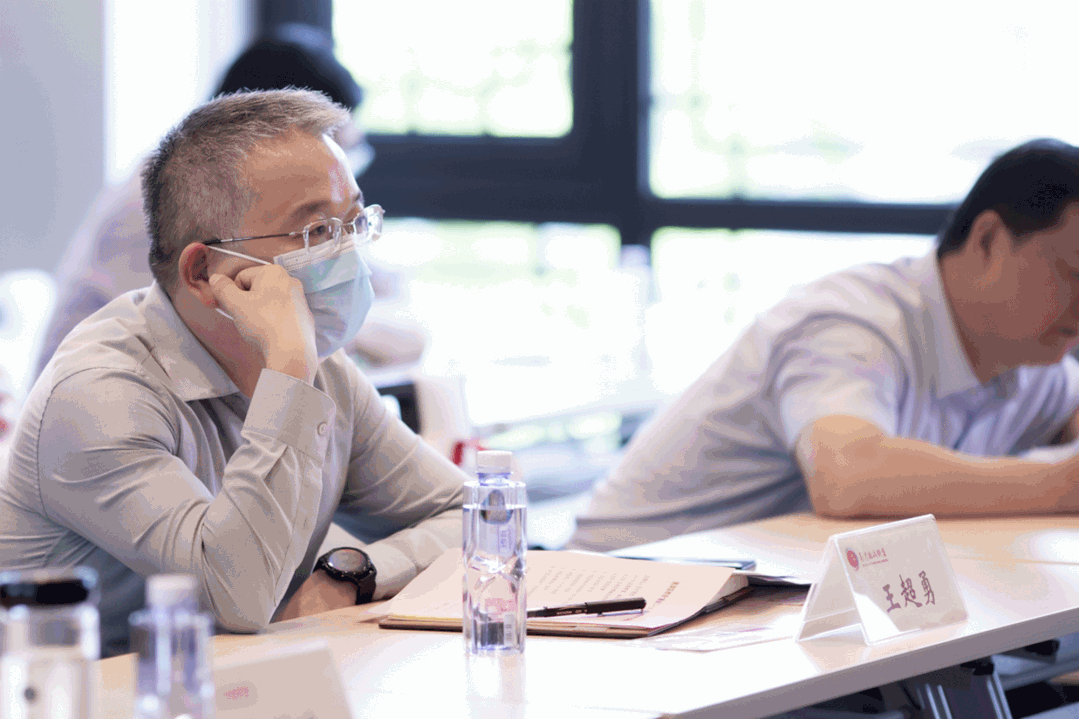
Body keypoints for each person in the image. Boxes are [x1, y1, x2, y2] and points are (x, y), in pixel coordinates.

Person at [0, 88, 465, 657]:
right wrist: (289, 371)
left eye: (354, 222)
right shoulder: (98, 394)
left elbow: (471, 516)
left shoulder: (324, 369)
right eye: (317, 232)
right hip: (77, 689)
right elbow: (238, 596)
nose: (349, 254)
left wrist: (350, 576)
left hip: (231, 680)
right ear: (203, 271)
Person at [570, 138, 1079, 552]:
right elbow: (849, 477)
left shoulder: (1031, 361)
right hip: (608, 599)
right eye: (1075, 274)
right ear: (988, 240)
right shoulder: (852, 322)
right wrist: (1057, 484)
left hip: (754, 611)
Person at [35, 22, 421, 378]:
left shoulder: (266, 201)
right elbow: (239, 332)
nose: (336, 166)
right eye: (333, 143)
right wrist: (344, 328)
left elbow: (383, 296)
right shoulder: (163, 203)